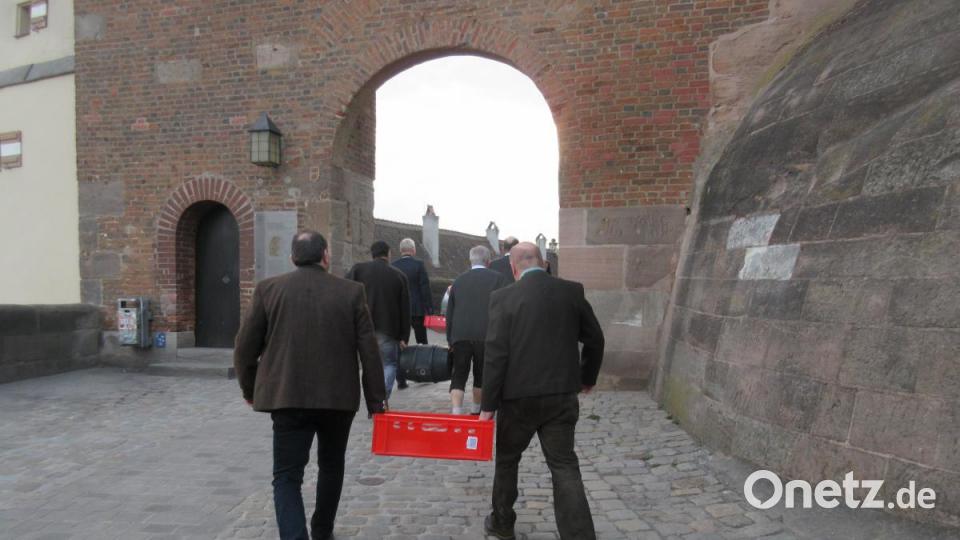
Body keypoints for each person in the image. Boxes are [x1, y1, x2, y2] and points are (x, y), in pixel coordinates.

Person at [234, 231, 386, 540]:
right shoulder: (351, 292)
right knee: (331, 467)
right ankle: (322, 531)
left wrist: (250, 390)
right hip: (337, 399)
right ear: (326, 256)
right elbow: (369, 350)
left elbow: (244, 349)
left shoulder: (268, 290)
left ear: (292, 258)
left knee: (287, 476)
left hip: (287, 397)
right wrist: (376, 400)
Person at [480, 242, 605, 540]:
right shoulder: (571, 291)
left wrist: (488, 405)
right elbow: (595, 339)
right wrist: (586, 378)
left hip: (517, 399)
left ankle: (502, 522)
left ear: (513, 268)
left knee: (508, 460)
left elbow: (496, 354)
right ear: (544, 263)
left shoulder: (503, 298)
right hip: (561, 395)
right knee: (564, 465)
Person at [346, 240, 411, 405]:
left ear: (372, 253)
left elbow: (345, 293)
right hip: (388, 329)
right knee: (389, 364)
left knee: (366, 365)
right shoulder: (398, 275)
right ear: (388, 254)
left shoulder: (357, 270)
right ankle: (382, 398)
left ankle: (368, 396)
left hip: (362, 326)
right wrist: (404, 336)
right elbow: (405, 308)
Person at [445, 245, 507, 415]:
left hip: (461, 335)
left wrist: (450, 339)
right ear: (488, 261)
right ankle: (475, 410)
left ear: (470, 260)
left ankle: (456, 411)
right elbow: (503, 310)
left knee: (459, 374)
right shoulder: (498, 279)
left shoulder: (458, 281)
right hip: (486, 334)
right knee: (480, 374)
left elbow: (449, 313)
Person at [391, 238, 433, 389]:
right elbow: (425, 288)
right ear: (413, 250)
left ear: (401, 250)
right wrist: (429, 309)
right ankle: (425, 373)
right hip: (417, 310)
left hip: (399, 311)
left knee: (401, 344)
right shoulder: (418, 265)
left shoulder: (393, 266)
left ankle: (401, 379)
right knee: (422, 342)